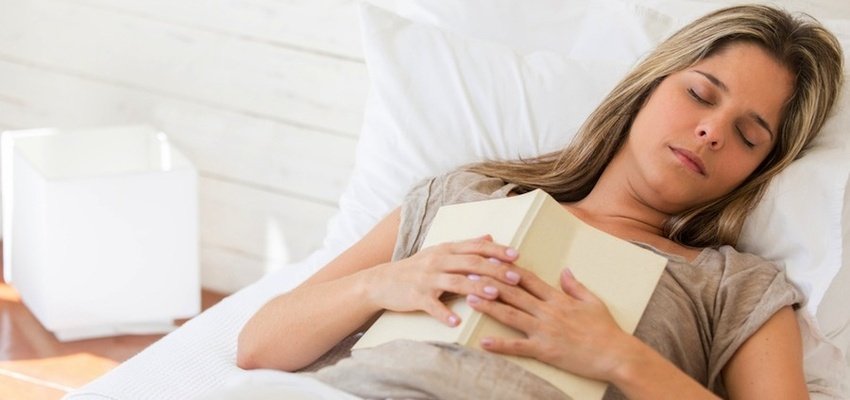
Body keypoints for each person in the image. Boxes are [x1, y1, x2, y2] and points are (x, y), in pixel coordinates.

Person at [236, 4, 844, 399]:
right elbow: (259, 345)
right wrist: (382, 283)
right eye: (700, 95)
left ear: (759, 169)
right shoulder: (464, 194)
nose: (711, 131)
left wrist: (622, 359)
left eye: (748, 136)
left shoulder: (734, 286)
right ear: (648, 86)